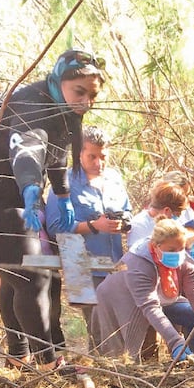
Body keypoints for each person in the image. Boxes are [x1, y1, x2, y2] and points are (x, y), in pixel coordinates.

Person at [0, 48, 105, 369]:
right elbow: (28, 148)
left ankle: (19, 356)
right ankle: (47, 364)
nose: (86, 102)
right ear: (59, 81)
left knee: (24, 274)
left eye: (93, 95)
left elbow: (56, 151)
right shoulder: (32, 105)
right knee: (33, 276)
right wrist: (32, 187)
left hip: (9, 193)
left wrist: (62, 192)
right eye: (79, 92)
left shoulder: (61, 105)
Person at [92, 218, 194, 362]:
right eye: (172, 250)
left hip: (159, 297)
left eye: (182, 248)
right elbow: (150, 308)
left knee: (192, 314)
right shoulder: (138, 265)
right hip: (121, 297)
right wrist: (175, 342)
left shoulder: (185, 262)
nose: (178, 254)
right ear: (155, 246)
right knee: (125, 354)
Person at [46, 125, 133, 338]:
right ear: (78, 154)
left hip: (114, 263)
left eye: (103, 156)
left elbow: (128, 211)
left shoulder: (113, 178)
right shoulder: (64, 182)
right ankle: (101, 369)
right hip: (81, 264)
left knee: (121, 326)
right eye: (92, 156)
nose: (98, 163)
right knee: (97, 328)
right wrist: (94, 226)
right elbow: (55, 227)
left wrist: (124, 223)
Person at [128, 180, 194, 248]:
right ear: (167, 210)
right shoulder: (139, 225)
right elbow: (137, 256)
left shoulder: (173, 222)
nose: (178, 217)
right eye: (177, 214)